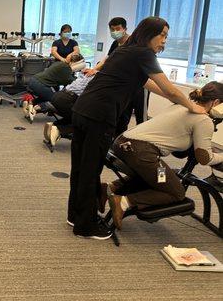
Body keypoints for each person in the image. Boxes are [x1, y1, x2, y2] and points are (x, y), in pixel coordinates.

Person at [68, 16, 206, 240]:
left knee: (80, 167)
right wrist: (192, 106)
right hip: (100, 115)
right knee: (90, 169)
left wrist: (179, 102)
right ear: (149, 33)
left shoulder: (126, 51)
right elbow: (169, 89)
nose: (164, 41)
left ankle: (75, 215)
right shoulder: (143, 53)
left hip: (83, 109)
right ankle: (85, 225)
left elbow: (150, 84)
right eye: (163, 35)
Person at [106, 82, 223, 229]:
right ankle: (123, 201)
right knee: (177, 192)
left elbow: (179, 150)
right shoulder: (203, 119)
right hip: (142, 153)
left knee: (163, 177)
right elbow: (205, 158)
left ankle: (110, 188)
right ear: (217, 103)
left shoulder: (182, 105)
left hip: (123, 144)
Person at [85, 17, 145, 134]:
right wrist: (94, 69)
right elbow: (108, 58)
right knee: (122, 116)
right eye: (112, 29)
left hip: (138, 86)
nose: (115, 32)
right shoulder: (115, 43)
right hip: (123, 87)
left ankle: (140, 143)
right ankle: (117, 143)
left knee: (140, 118)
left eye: (117, 29)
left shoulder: (135, 43)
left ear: (125, 29)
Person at [24, 54, 85, 122]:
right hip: (40, 84)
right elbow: (70, 81)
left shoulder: (60, 63)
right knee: (55, 100)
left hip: (34, 80)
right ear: (77, 63)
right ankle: (36, 108)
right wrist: (83, 79)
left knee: (47, 96)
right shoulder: (66, 68)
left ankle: (31, 103)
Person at [43, 74, 94, 146]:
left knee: (73, 117)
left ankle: (53, 126)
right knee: (83, 121)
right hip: (67, 99)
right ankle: (59, 130)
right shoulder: (100, 79)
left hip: (59, 95)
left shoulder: (89, 74)